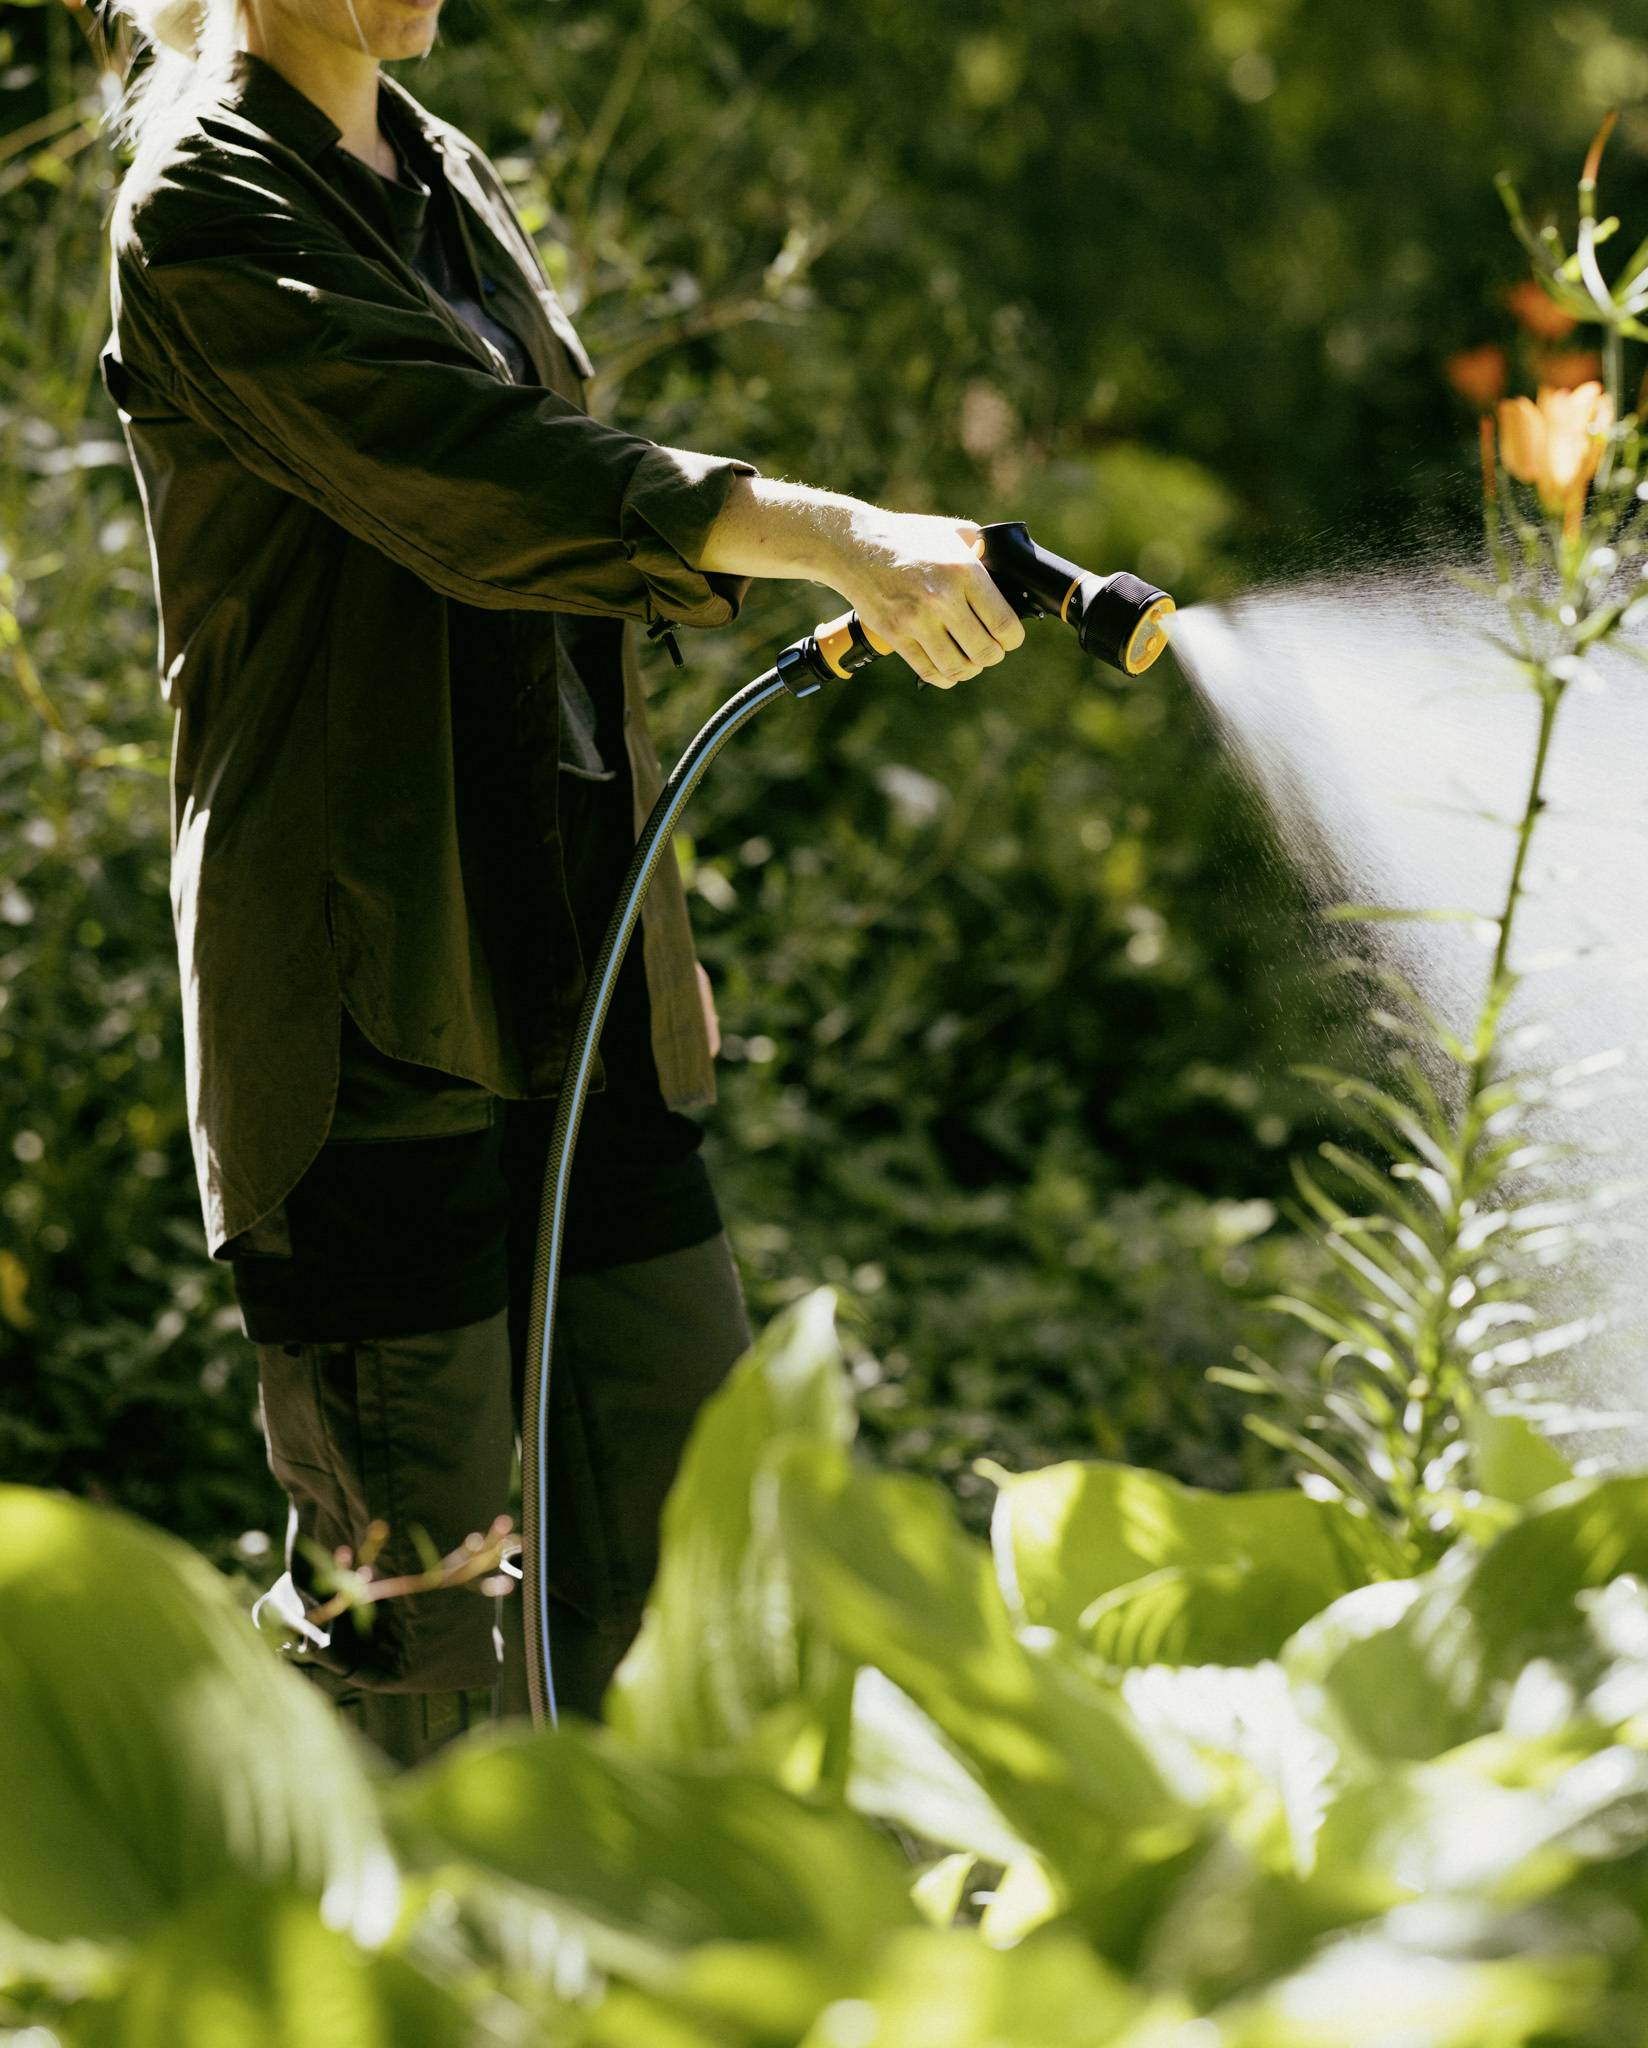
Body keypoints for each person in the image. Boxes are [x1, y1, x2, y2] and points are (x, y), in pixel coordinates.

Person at [98, 0, 1025, 1762]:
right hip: (369, 1008)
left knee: (701, 1579)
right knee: (431, 1644)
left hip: (580, 981)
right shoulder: (204, 199)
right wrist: (831, 533)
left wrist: (647, 920)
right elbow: (490, 489)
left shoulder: (435, 166)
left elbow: (551, 598)